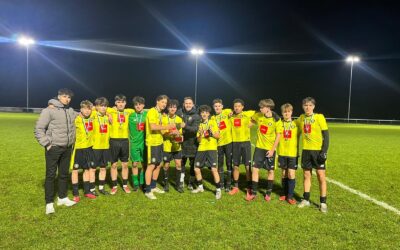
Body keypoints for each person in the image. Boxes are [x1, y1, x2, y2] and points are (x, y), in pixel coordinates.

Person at [34, 88, 77, 215]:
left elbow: (84, 114)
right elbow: (38, 129)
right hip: (54, 148)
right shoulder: (49, 110)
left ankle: (62, 198)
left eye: (69, 97)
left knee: (64, 174)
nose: (67, 99)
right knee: (51, 176)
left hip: (67, 148)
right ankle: (49, 203)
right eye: (64, 96)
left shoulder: (70, 111)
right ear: (59, 96)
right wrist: (47, 144)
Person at [296, 97, 329, 213]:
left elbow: (326, 136)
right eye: (305, 105)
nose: (307, 107)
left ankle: (323, 202)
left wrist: (324, 151)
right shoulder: (301, 118)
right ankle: (306, 200)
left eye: (310, 105)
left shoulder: (319, 117)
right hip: (306, 151)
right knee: (306, 176)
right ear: (302, 107)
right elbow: (289, 122)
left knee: (321, 176)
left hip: (318, 151)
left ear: (313, 106)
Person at [246, 99, 282, 202]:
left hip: (270, 149)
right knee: (255, 169)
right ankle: (254, 193)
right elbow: (251, 121)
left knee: (270, 171)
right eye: (260, 107)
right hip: (259, 147)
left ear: (268, 108)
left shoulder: (276, 119)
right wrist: (248, 123)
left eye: (262, 107)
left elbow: (278, 135)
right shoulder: (258, 116)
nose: (260, 109)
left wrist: (272, 150)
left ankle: (268, 193)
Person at [144, 95, 176, 199]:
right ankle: (147, 190)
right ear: (157, 101)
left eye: (165, 103)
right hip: (152, 143)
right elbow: (153, 127)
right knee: (151, 166)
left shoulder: (160, 114)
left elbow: (162, 131)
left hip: (159, 142)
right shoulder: (152, 112)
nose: (164, 105)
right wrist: (168, 126)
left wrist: (172, 133)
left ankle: (153, 186)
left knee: (158, 165)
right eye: (162, 102)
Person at [191, 105, 222, 200]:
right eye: (202, 112)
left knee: (213, 169)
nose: (204, 114)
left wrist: (211, 133)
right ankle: (200, 187)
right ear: (200, 114)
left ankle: (218, 190)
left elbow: (218, 136)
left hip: (211, 148)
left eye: (206, 112)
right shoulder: (199, 124)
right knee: (196, 168)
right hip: (201, 149)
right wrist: (200, 134)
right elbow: (199, 140)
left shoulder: (213, 122)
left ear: (209, 114)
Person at [108, 95, 135, 195]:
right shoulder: (111, 110)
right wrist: (108, 112)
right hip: (113, 141)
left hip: (124, 141)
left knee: (125, 164)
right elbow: (95, 108)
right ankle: (114, 186)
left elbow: (142, 109)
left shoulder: (129, 111)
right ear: (115, 103)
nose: (120, 104)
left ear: (125, 103)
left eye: (122, 102)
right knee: (114, 164)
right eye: (118, 102)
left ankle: (124, 185)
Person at [70, 100, 97, 202]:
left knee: (87, 169)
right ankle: (76, 194)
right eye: (84, 108)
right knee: (75, 170)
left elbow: (100, 109)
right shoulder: (76, 118)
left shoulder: (93, 116)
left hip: (89, 148)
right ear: (80, 109)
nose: (87, 111)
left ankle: (87, 192)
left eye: (88, 109)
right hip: (78, 149)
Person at [228, 99, 255, 196]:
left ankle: (249, 188)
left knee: (248, 166)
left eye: (239, 106)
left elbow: (258, 115)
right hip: (235, 143)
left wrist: (252, 123)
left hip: (246, 143)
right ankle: (236, 187)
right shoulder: (231, 116)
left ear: (242, 107)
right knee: (236, 165)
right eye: (235, 106)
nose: (237, 108)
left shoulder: (248, 114)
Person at [161, 99, 185, 193]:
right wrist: (171, 133)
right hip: (167, 146)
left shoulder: (179, 119)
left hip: (176, 147)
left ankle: (178, 185)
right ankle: (166, 184)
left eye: (174, 107)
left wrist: (178, 135)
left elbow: (181, 135)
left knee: (178, 165)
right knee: (166, 165)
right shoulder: (163, 118)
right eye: (171, 107)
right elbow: (163, 133)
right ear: (167, 108)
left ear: (176, 108)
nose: (172, 109)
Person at [177, 97, 201, 190]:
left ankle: (191, 181)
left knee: (192, 164)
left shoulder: (196, 116)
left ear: (193, 104)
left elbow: (195, 129)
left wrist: (185, 126)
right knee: (181, 162)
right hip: (181, 143)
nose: (188, 105)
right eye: (186, 103)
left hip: (193, 143)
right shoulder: (179, 113)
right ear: (183, 104)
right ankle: (181, 180)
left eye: (190, 103)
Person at [277, 103, 299, 205]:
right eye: (285, 112)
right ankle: (284, 194)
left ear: (291, 112)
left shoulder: (296, 124)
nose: (287, 113)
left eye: (288, 111)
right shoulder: (279, 124)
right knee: (284, 174)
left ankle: (290, 196)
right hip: (282, 153)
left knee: (291, 174)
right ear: (282, 113)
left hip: (292, 154)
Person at [212, 98, 233, 192]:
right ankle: (221, 184)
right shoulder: (213, 118)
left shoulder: (226, 112)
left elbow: (231, 112)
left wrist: (230, 113)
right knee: (220, 164)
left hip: (228, 142)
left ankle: (228, 184)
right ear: (213, 107)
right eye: (215, 106)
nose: (217, 107)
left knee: (229, 163)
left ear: (222, 106)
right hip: (219, 144)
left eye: (219, 106)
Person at [92, 97, 112, 195]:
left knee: (103, 168)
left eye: (105, 106)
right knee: (93, 168)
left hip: (105, 146)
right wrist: (94, 109)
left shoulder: (107, 117)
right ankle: (91, 188)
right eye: (101, 106)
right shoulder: (93, 115)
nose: (103, 108)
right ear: (96, 107)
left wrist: (108, 114)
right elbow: (88, 108)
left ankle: (101, 187)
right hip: (95, 147)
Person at [128, 96, 147, 191]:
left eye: (140, 104)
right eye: (136, 104)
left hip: (144, 143)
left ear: (143, 105)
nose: (138, 106)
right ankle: (135, 183)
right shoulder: (130, 115)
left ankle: (142, 181)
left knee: (144, 164)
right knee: (135, 163)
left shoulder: (147, 115)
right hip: (134, 143)